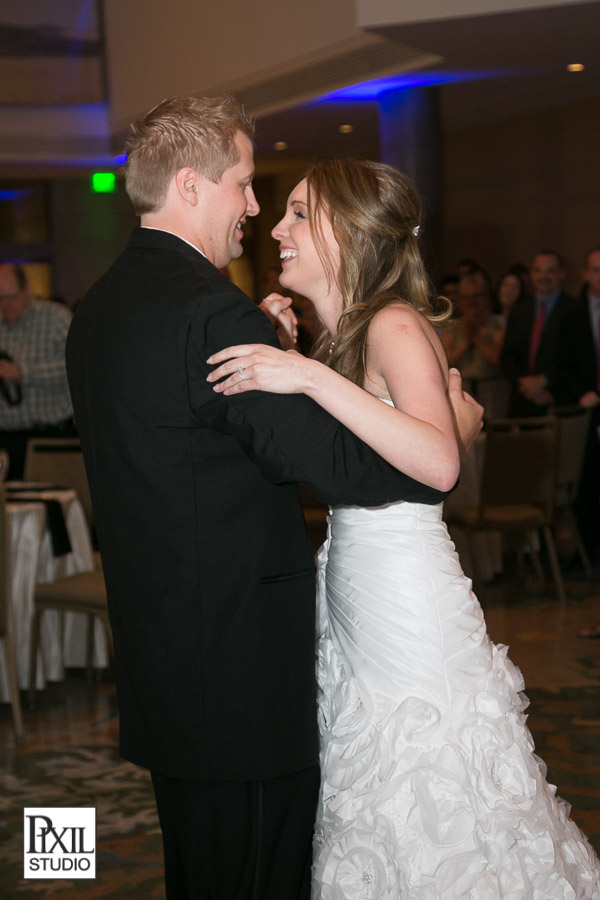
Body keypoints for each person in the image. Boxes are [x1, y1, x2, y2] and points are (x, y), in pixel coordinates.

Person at [65, 96, 482, 900]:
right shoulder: (213, 313)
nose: (256, 208)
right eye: (246, 185)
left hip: (165, 655)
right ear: (190, 187)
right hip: (237, 672)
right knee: (256, 876)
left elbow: (191, 441)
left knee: (202, 868)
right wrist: (449, 437)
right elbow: (332, 466)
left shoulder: (104, 308)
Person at [208, 158, 600, 896]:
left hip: (406, 594)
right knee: (376, 782)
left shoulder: (392, 324)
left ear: (350, 232)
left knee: (434, 781)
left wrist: (307, 376)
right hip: (359, 580)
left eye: (298, 213)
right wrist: (298, 358)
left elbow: (438, 462)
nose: (277, 227)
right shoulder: (347, 336)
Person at [0, 262, 75, 479]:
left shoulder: (55, 318)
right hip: (6, 441)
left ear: (26, 290)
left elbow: (71, 365)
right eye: (0, 298)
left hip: (49, 439)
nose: (6, 305)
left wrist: (24, 373)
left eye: (11, 297)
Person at [501, 249, 574, 417]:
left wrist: (546, 381)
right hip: (522, 403)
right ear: (531, 275)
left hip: (559, 403)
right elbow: (507, 357)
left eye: (550, 270)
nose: (543, 276)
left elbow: (577, 360)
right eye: (538, 270)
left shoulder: (576, 310)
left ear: (562, 274)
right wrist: (529, 387)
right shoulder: (519, 310)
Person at [442, 271, 509, 418]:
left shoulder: (499, 323)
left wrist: (478, 337)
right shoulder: (452, 327)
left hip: (493, 392)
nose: (472, 301)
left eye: (477, 296)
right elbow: (445, 363)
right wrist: (465, 343)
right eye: (467, 297)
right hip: (464, 391)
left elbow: (499, 359)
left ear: (486, 298)